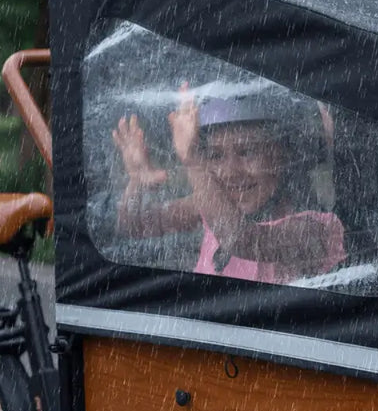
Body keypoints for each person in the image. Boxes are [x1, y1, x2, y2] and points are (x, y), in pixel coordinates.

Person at [112, 82, 345, 284]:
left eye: (248, 151)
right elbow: (135, 226)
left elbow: (239, 238)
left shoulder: (313, 229)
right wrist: (137, 182)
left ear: (281, 156)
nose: (231, 173)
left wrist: (194, 161)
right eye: (215, 156)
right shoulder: (210, 205)